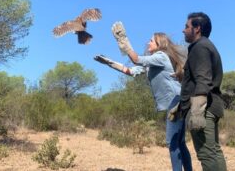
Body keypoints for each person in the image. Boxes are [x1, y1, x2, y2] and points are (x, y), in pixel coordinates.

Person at [97, 22, 193, 171]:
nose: (148, 42)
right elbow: (130, 70)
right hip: (178, 100)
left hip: (176, 101)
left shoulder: (160, 56)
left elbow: (136, 59)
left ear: (159, 43)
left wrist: (122, 40)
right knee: (179, 143)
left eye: (151, 40)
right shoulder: (153, 62)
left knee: (172, 143)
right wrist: (110, 63)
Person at [180, 12, 227, 171]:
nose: (183, 30)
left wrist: (197, 111)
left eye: (187, 27)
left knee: (206, 154)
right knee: (214, 152)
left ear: (197, 28)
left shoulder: (199, 47)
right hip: (212, 106)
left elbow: (203, 79)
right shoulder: (206, 46)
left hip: (204, 108)